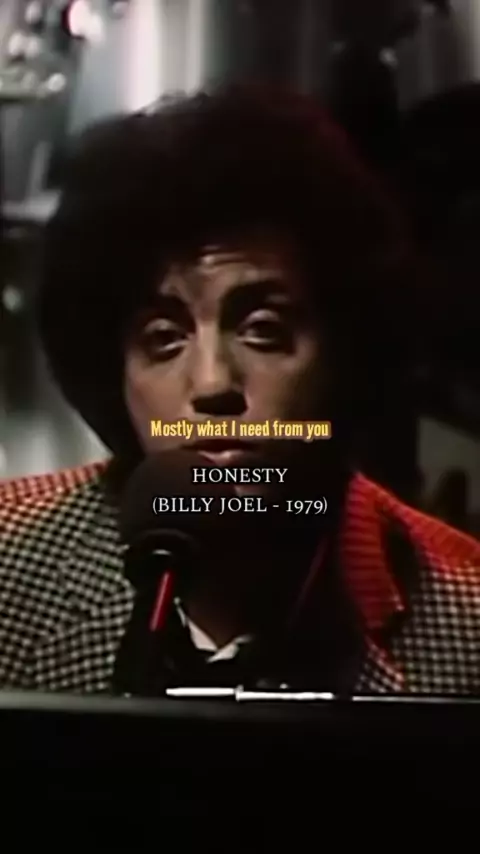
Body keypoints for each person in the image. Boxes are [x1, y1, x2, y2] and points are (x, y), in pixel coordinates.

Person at [0, 85, 479, 696]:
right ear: (112, 373)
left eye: (263, 331)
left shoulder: (467, 620)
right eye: (163, 338)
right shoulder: (10, 569)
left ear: (346, 353)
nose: (212, 385)